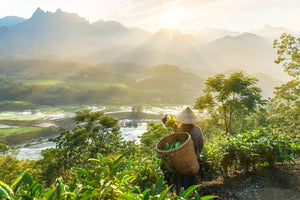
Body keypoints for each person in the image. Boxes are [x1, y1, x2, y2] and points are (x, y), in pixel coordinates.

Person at [162, 107, 204, 190]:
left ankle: (179, 193)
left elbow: (167, 122)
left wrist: (167, 117)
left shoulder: (178, 130)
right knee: (189, 178)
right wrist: (197, 153)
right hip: (193, 159)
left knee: (181, 178)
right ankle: (186, 195)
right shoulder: (197, 130)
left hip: (179, 160)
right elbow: (201, 144)